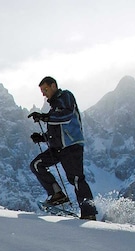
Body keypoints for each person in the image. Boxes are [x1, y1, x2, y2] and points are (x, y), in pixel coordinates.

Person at [28, 76, 97, 220]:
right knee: (37, 165)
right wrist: (42, 137)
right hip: (58, 148)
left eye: (45, 89)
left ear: (53, 86)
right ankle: (56, 194)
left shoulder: (66, 96)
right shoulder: (53, 107)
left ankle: (89, 212)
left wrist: (45, 117)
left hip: (71, 146)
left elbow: (66, 116)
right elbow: (57, 131)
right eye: (41, 91)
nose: (43, 93)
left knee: (76, 179)